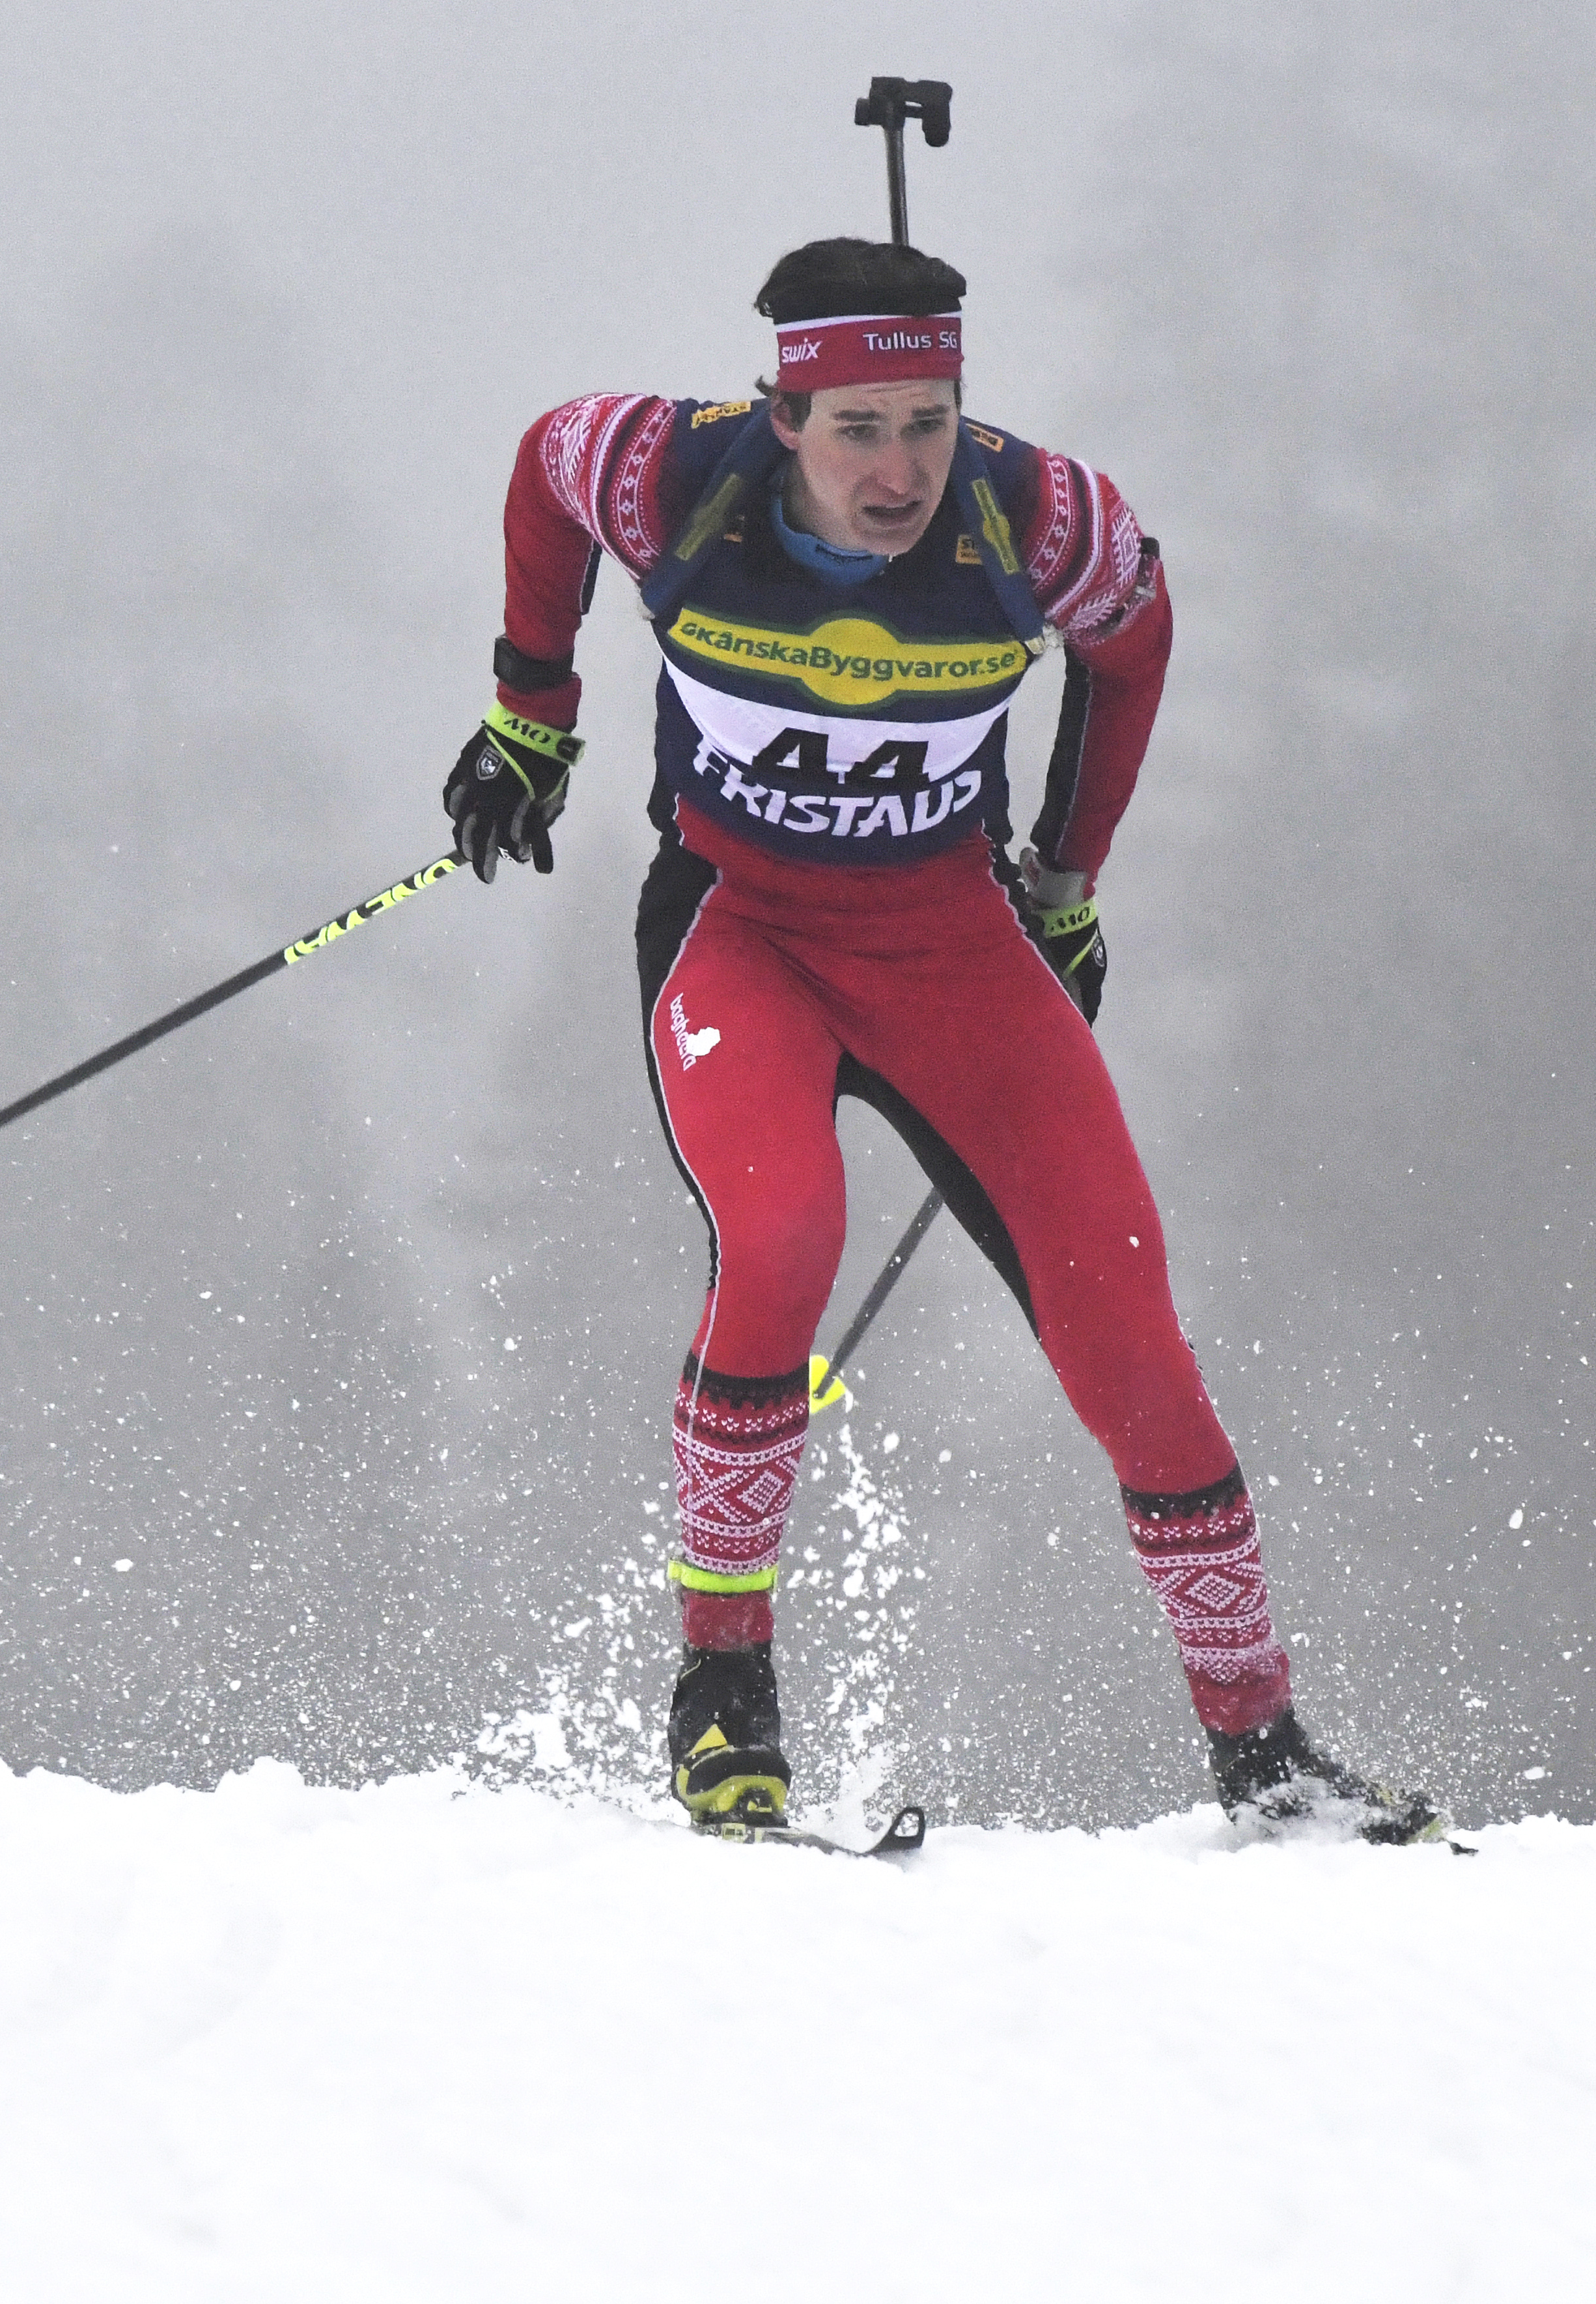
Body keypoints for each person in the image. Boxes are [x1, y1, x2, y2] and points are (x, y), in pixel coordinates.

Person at [443, 236, 1436, 1842]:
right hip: (741, 935)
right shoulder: (670, 476)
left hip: (949, 950)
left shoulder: (1039, 518)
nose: (898, 467)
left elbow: (1137, 643)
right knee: (782, 1239)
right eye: (857, 427)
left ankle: (1263, 1748)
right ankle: (725, 1701)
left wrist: (1065, 881)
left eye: (928, 417)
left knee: (1130, 1331)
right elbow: (542, 468)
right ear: (785, 414)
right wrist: (526, 709)